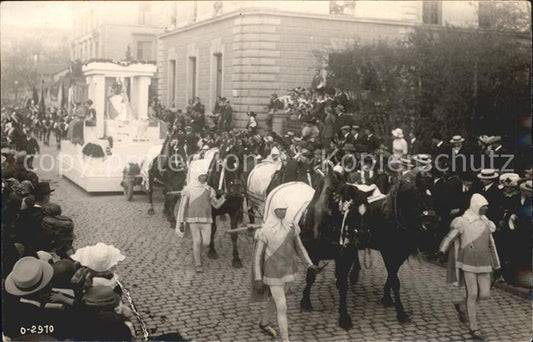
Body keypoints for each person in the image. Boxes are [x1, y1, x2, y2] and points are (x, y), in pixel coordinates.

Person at [252, 199, 318, 342]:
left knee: (274, 301)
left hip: (289, 271)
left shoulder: (292, 227)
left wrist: (310, 264)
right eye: (279, 210)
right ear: (273, 211)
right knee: (282, 307)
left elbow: (300, 248)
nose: (282, 212)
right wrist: (257, 278)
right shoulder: (265, 230)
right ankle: (286, 339)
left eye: (284, 209)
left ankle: (263, 322)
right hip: (272, 272)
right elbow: (257, 257)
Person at [439, 194, 501, 341]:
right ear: (476, 206)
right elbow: (451, 236)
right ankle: (474, 327)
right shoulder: (463, 221)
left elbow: (491, 244)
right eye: (483, 206)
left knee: (484, 294)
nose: (486, 208)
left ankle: (461, 305)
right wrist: (442, 249)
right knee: (472, 294)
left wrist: (497, 264)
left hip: (485, 263)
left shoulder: (487, 223)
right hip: (468, 263)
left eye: (486, 206)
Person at [176, 173, 226, 273]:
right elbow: (183, 206)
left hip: (206, 219)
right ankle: (198, 264)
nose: (205, 177)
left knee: (206, 242)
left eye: (205, 175)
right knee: (197, 241)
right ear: (197, 177)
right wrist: (181, 221)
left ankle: (197, 253)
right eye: (202, 175)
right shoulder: (189, 189)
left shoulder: (209, 189)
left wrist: (224, 198)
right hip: (192, 220)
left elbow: (215, 205)